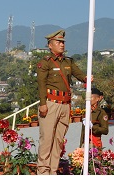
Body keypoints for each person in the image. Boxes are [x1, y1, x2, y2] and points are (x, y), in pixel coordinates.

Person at [36, 29, 91, 175]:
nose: (62, 45)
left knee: (58, 141)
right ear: (50, 45)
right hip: (50, 103)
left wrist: (86, 79)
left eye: (63, 42)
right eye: (58, 42)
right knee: (46, 140)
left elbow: (79, 74)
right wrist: (42, 103)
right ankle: (43, 171)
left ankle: (52, 171)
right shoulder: (45, 62)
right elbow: (41, 84)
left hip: (65, 105)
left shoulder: (68, 61)